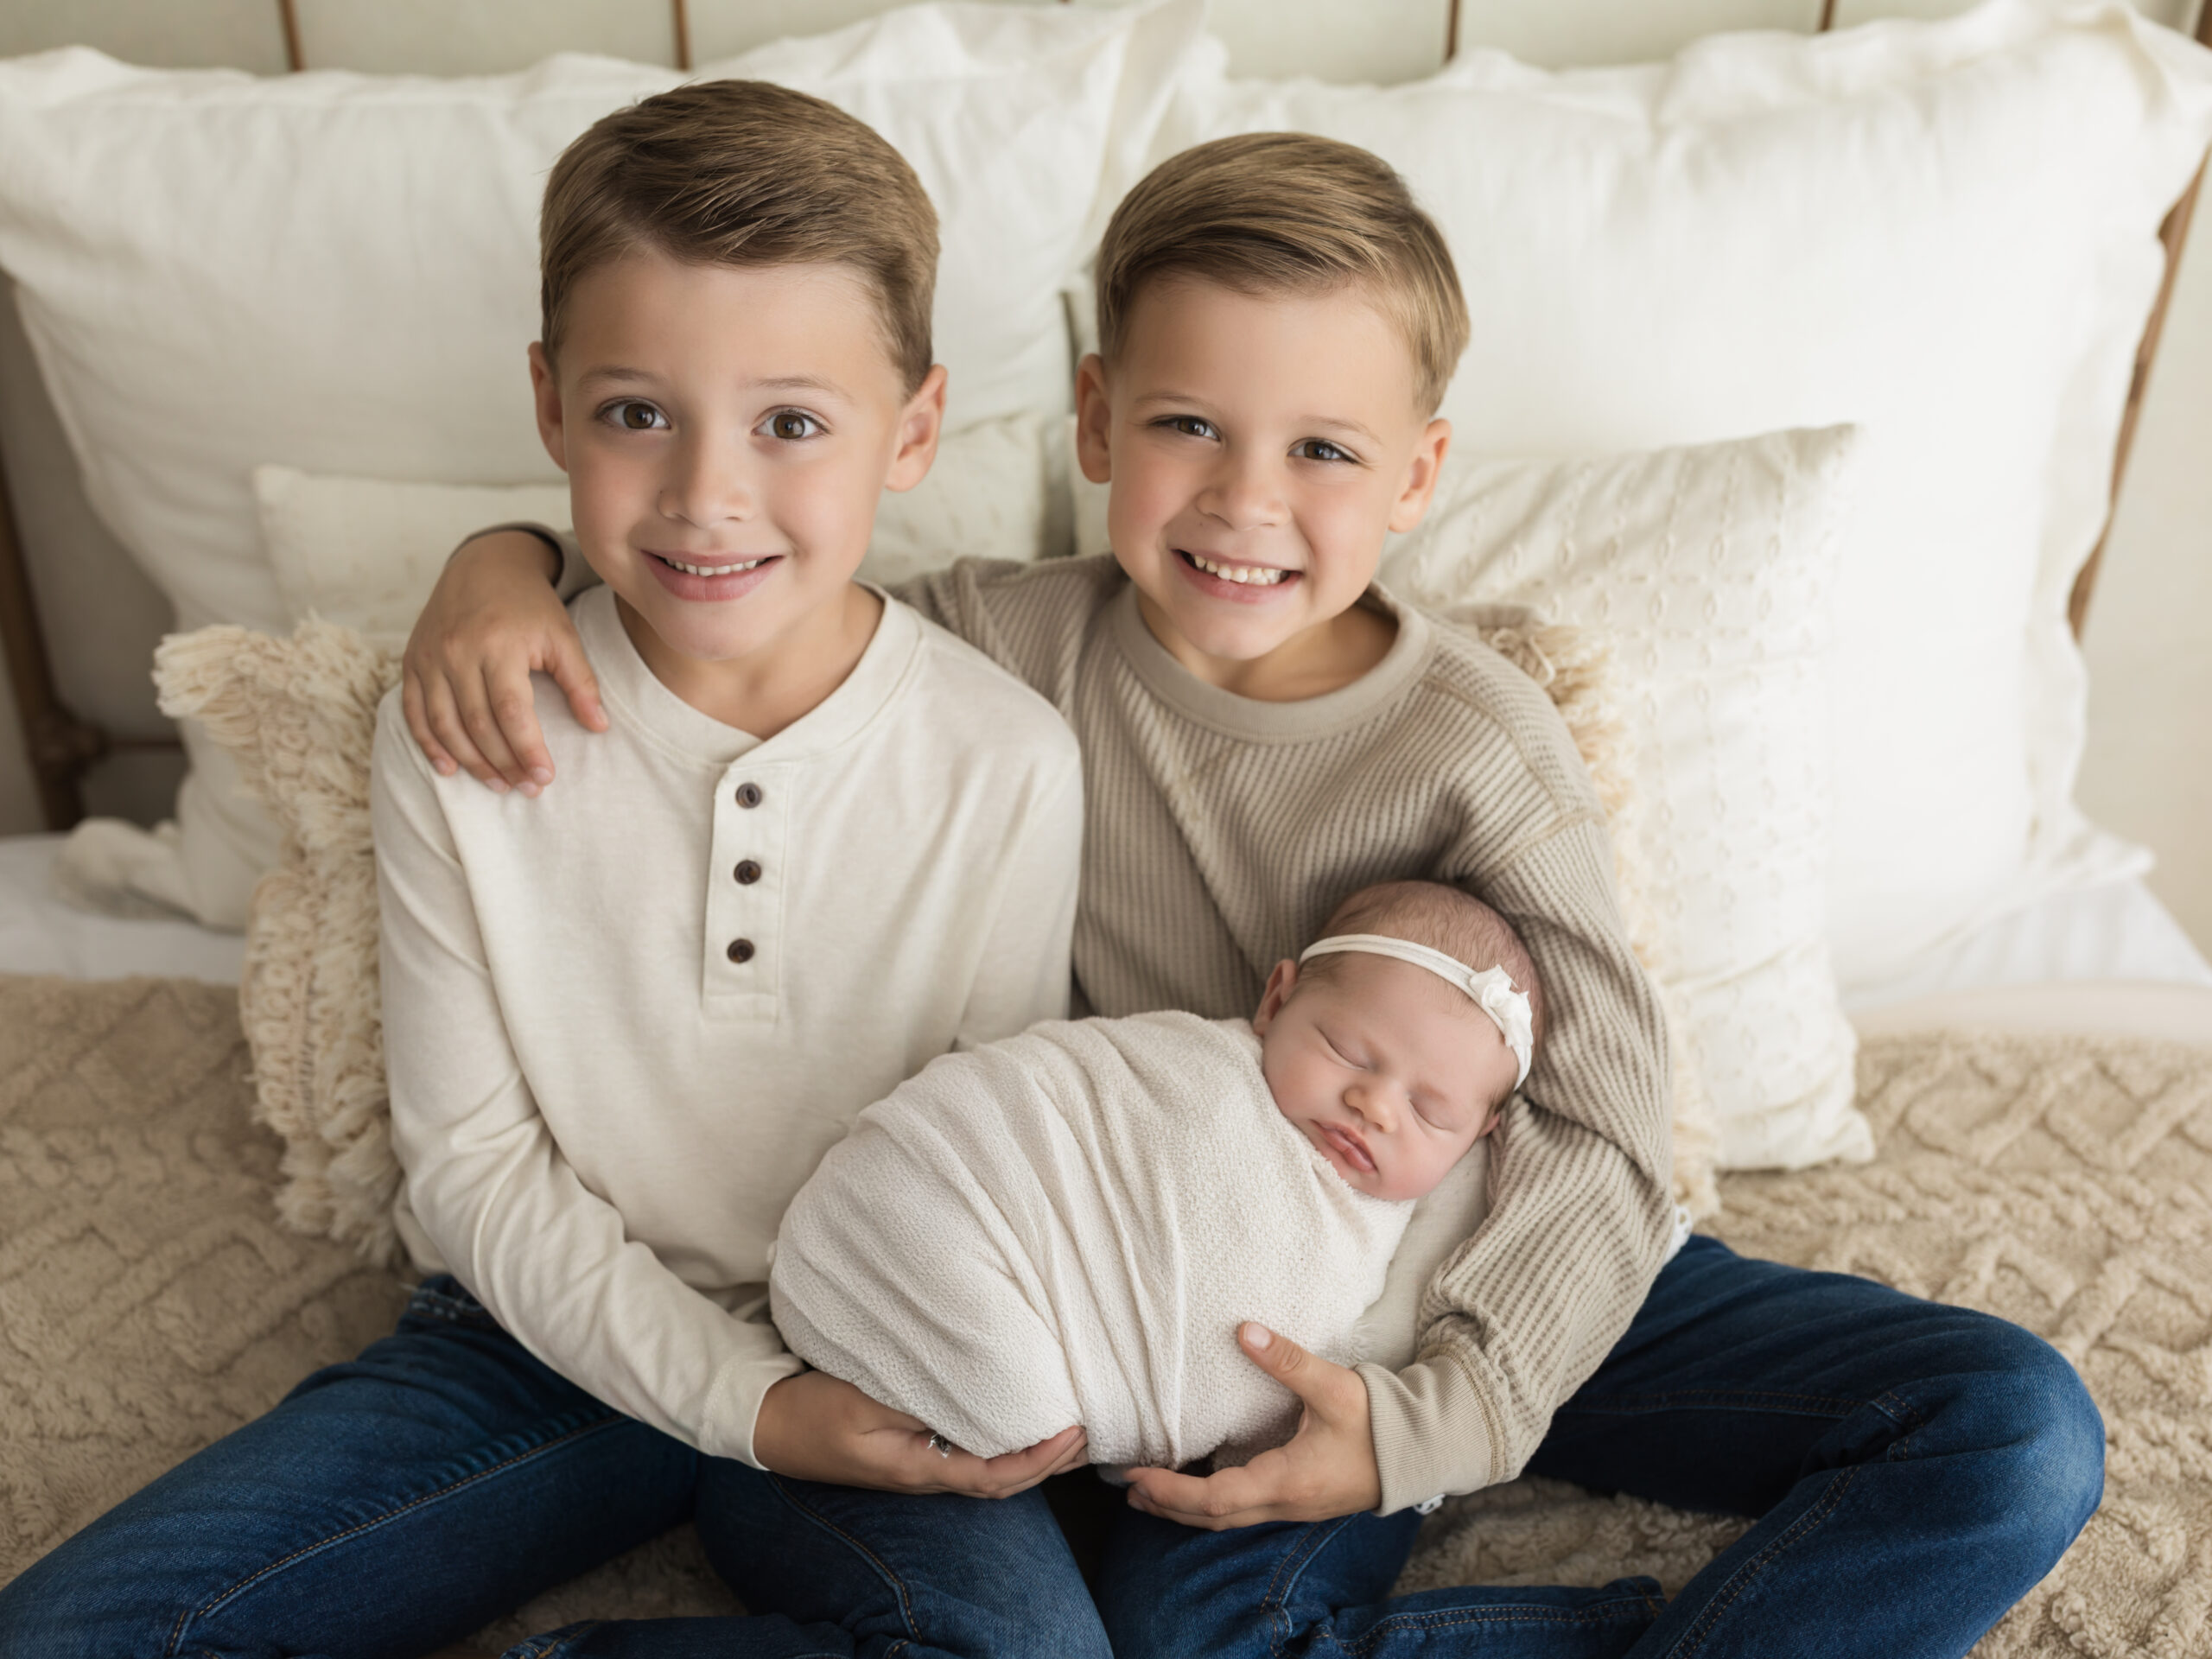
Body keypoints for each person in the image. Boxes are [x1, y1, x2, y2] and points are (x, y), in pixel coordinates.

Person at [400, 128, 2107, 1659]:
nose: (1243, 501)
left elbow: (1602, 1120)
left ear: (1418, 475)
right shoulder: (997, 647)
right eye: (1185, 428)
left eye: (1321, 452)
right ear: (1092, 422)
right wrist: (507, 561)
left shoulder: (1473, 746)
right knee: (1195, 1628)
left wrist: (1438, 1413)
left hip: (1493, 1263)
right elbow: (742, 548)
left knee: (2007, 1426)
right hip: (1207, 1309)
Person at [0, 80, 1102, 1659]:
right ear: (549, 404)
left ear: (913, 430)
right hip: (530, 1337)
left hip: (874, 1336)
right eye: (636, 412)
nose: (707, 495)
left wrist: (825, 1399)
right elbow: (473, 1168)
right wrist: (745, 1405)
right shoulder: (467, 721)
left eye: (792, 422)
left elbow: (986, 1152)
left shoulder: (1004, 761)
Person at [772, 880, 1542, 1473]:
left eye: (1430, 1112)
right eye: (1346, 1050)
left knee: (1028, 1414)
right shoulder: (1190, 1072)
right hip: (934, 1185)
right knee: (1021, 1413)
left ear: (1478, 1137)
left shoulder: (1419, 1225)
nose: (1373, 1104)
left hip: (991, 1288)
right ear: (1276, 1001)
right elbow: (1046, 1114)